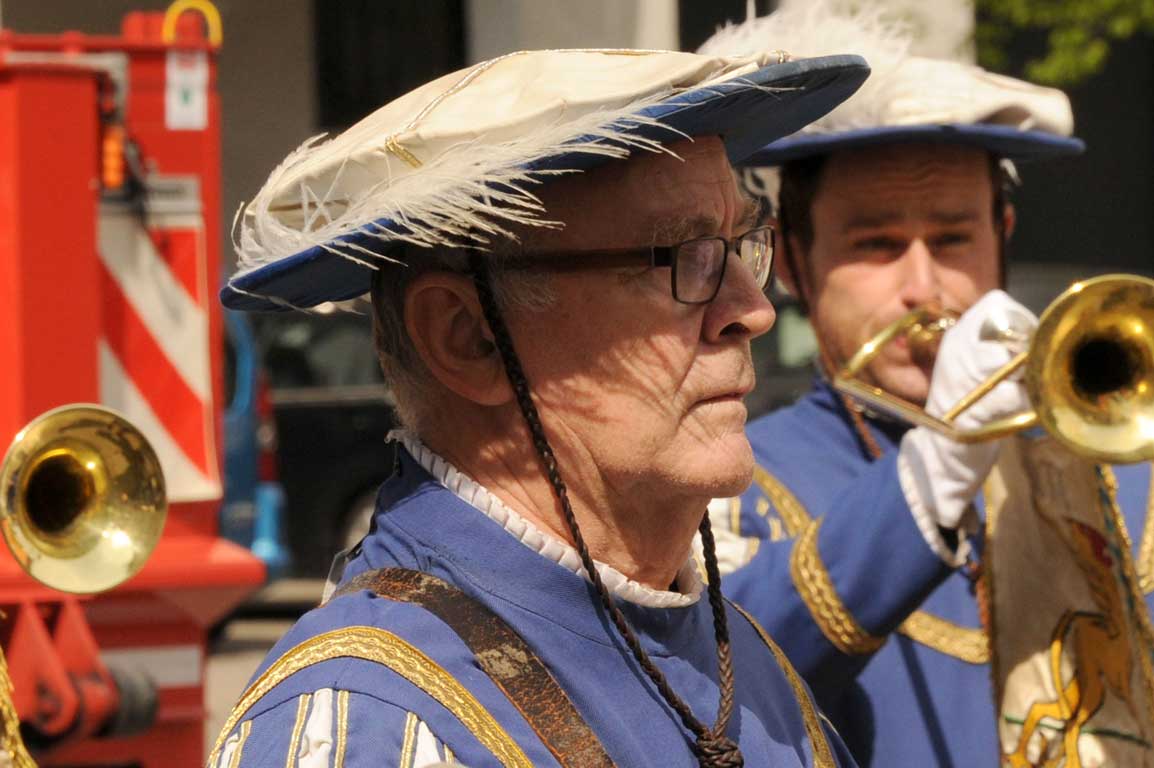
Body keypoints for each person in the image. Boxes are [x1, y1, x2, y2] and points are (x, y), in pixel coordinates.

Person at [208, 48, 872, 767]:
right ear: (469, 338)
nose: (751, 310)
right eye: (684, 255)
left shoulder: (740, 661)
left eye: (741, 246)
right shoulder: (373, 723)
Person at [699, 6, 1154, 767]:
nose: (925, 288)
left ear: (1001, 236)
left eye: (952, 239)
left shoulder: (1124, 463)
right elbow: (718, 689)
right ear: (798, 262)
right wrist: (940, 464)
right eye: (876, 244)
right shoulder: (734, 475)